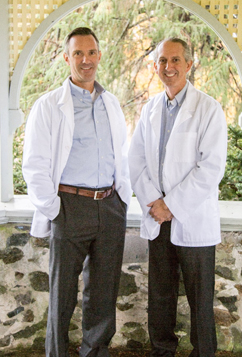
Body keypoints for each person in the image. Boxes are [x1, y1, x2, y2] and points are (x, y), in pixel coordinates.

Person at [22, 27, 132, 357]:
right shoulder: (48, 106)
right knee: (62, 296)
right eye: (78, 54)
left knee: (102, 296)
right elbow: (35, 164)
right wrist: (55, 209)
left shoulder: (111, 103)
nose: (86, 60)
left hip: (109, 207)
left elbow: (121, 154)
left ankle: (94, 352)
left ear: (99, 55)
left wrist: (122, 201)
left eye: (92, 52)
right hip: (69, 206)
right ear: (67, 58)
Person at [128, 38, 227, 357]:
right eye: (161, 61)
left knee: (200, 300)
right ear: (155, 65)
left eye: (175, 60)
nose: (168, 67)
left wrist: (170, 205)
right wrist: (154, 202)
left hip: (192, 219)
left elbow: (211, 168)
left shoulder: (208, 108)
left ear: (189, 64)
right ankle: (162, 351)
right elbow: (136, 159)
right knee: (160, 297)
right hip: (159, 220)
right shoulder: (150, 108)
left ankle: (204, 353)